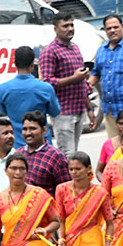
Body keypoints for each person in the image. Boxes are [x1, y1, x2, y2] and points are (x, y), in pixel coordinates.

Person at [39, 13, 92, 157]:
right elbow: (47, 83)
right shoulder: (50, 51)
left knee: (74, 152)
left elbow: (82, 81)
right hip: (63, 112)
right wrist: (72, 78)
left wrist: (90, 108)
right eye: (65, 26)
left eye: (71, 25)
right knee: (67, 154)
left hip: (79, 109)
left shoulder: (75, 48)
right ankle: (67, 180)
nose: (70, 29)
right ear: (55, 29)